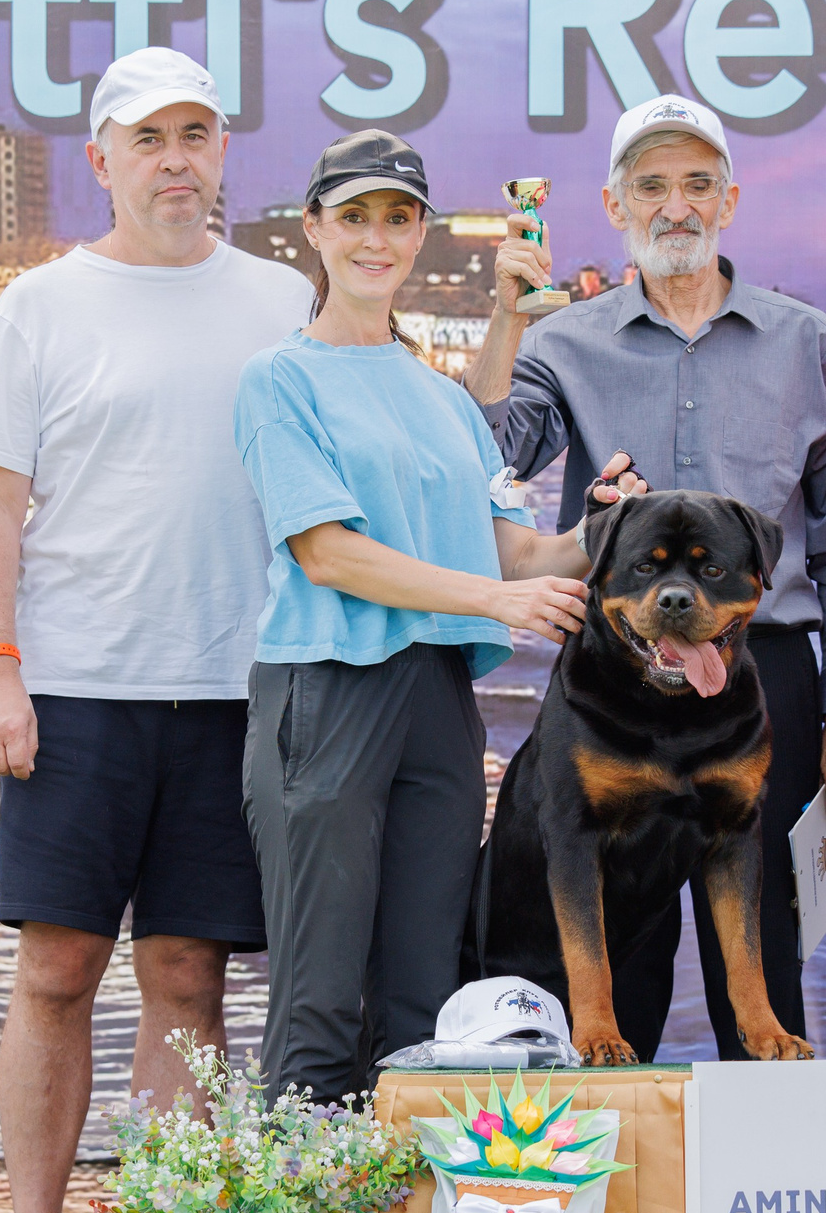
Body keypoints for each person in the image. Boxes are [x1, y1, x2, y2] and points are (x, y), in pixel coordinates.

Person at [0, 47, 313, 1213]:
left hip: (235, 690)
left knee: (189, 977)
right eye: (149, 136)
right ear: (99, 156)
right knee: (55, 965)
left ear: (224, 154)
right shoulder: (42, 305)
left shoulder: (283, 299)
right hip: (77, 691)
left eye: (198, 134)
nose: (176, 157)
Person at [238, 130, 641, 1109]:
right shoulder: (278, 380)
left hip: (435, 708)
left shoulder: (448, 403)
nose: (376, 238)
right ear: (314, 229)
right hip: (325, 690)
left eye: (397, 216)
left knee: (425, 1002)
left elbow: (517, 552)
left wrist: (602, 528)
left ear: (418, 231)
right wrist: (494, 600)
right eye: (354, 216)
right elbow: (326, 550)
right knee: (319, 1000)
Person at [466, 95, 826, 1060]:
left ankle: (769, 1190)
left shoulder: (809, 341)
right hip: (614, 677)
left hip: (761, 677)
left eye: (695, 184)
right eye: (651, 186)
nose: (674, 206)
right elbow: (481, 451)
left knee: (769, 952)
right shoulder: (564, 341)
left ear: (729, 199)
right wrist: (506, 316)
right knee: (620, 974)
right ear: (614, 204)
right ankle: (614, 1198)